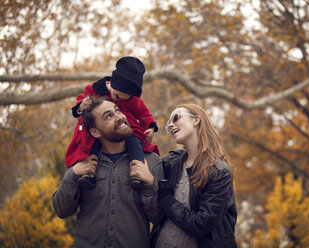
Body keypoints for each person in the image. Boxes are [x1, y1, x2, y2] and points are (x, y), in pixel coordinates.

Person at [53, 97, 164, 248]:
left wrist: (150, 183)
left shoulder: (151, 161)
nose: (120, 117)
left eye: (117, 110)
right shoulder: (81, 163)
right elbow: (62, 210)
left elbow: (159, 218)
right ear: (95, 132)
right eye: (109, 116)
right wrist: (73, 174)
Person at [150, 103, 238, 248]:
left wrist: (166, 199)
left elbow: (201, 225)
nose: (171, 125)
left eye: (176, 117)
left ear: (196, 120)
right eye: (168, 123)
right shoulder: (170, 162)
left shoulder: (219, 172)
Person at [65, 56, 159, 188]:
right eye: (118, 96)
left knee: (135, 141)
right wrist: (81, 106)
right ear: (113, 83)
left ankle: (137, 171)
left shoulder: (133, 99)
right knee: (89, 145)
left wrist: (151, 127)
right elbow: (80, 101)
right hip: (97, 127)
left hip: (126, 126)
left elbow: (144, 112)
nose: (120, 100)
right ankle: (88, 174)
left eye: (125, 98)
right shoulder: (94, 90)